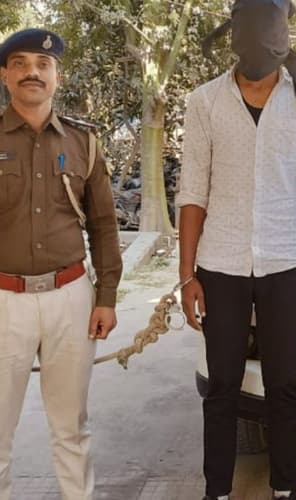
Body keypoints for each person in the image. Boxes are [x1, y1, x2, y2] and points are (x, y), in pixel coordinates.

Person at [177, 1, 296, 499]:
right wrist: (187, 275)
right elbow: (192, 193)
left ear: (283, 37)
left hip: (285, 263)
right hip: (220, 265)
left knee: (284, 385)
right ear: (235, 37)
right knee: (223, 385)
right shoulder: (205, 101)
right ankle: (216, 491)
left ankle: (286, 488)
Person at [0, 28, 122, 500]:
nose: (32, 72)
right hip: (4, 301)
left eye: (43, 64)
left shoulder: (83, 142)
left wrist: (106, 297)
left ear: (57, 76)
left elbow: (104, 224)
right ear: (5, 76)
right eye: (20, 63)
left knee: (71, 428)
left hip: (71, 299)